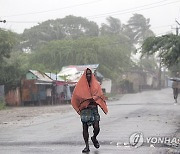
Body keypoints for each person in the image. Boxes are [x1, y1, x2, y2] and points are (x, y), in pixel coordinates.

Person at [71, 68, 108, 153]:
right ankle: (87, 146)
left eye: (89, 74)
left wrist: (94, 98)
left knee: (97, 127)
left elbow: (100, 95)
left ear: (92, 75)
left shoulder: (96, 84)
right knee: (85, 128)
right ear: (84, 75)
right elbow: (76, 96)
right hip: (85, 109)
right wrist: (85, 99)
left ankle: (94, 138)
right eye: (87, 74)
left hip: (94, 108)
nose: (88, 76)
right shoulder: (79, 85)